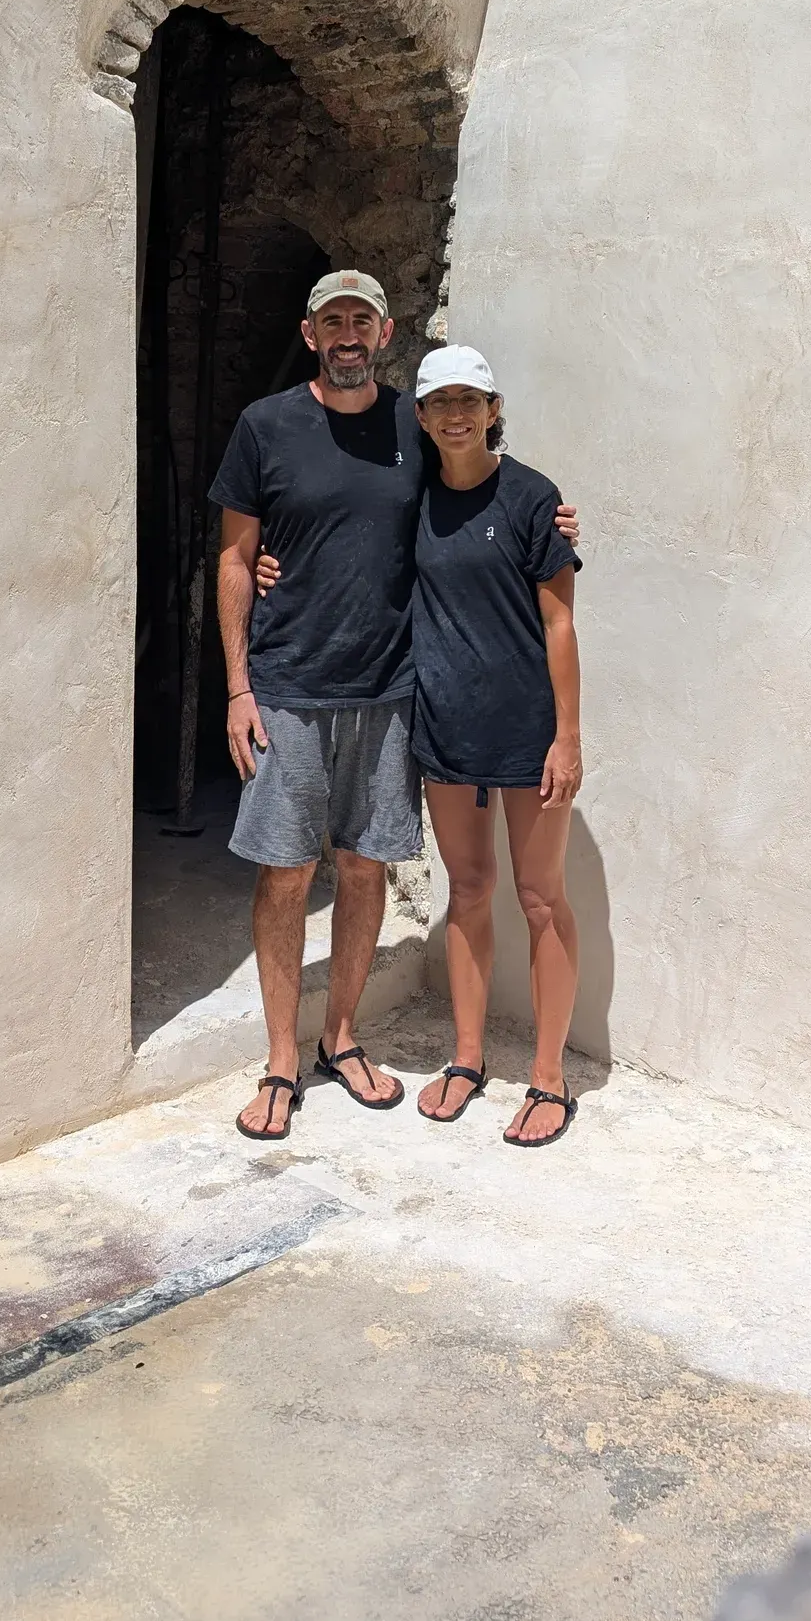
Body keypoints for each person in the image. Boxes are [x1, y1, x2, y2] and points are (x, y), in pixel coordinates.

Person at [210, 273, 577, 1142]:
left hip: (392, 692)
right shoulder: (266, 425)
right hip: (292, 688)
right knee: (286, 875)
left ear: (384, 333)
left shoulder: (420, 436)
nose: (348, 333)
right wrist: (237, 686)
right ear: (310, 333)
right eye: (332, 320)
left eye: (362, 320)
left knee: (367, 868)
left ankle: (343, 1039)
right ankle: (281, 1061)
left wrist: (552, 522)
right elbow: (236, 559)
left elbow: (500, 514)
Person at [406, 347, 584, 1147]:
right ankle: (468, 1058)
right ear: (421, 415)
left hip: (527, 730)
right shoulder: (410, 498)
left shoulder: (532, 497)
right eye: (440, 401)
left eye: (469, 400)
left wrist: (567, 737)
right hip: (446, 725)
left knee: (541, 898)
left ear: (493, 408)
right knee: (469, 890)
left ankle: (549, 1079)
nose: (455, 415)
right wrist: (270, 566)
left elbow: (559, 622)